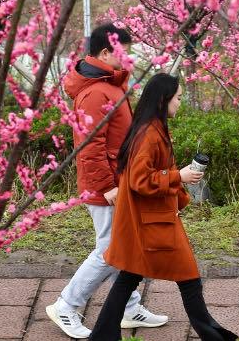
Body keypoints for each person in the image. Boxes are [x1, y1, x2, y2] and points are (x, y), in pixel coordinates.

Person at [88, 73, 238, 341]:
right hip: (153, 223)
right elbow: (138, 180)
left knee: (129, 277)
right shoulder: (149, 133)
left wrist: (177, 182)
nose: (180, 103)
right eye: (178, 98)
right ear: (163, 100)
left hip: (150, 219)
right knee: (189, 278)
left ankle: (101, 337)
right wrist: (178, 177)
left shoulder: (151, 128)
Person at [47, 24, 168, 338]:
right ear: (104, 53)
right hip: (105, 185)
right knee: (111, 248)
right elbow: (88, 145)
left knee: (121, 244)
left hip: (117, 180)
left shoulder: (110, 84)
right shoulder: (96, 91)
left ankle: (128, 308)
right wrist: (107, 186)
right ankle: (66, 305)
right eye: (123, 51)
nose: (128, 57)